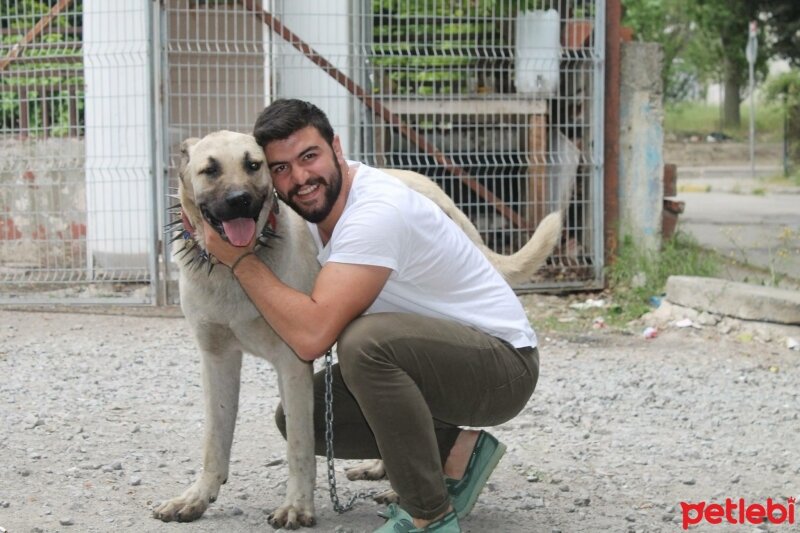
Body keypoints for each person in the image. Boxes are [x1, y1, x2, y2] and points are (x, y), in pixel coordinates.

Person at [202, 99, 540, 532]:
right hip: (440, 357)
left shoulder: (374, 213)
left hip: (501, 368)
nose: (300, 178)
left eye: (309, 157)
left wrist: (239, 260)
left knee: (365, 344)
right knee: (305, 419)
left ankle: (429, 516)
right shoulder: (311, 209)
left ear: (336, 148)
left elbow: (311, 338)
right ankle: (459, 451)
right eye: (281, 168)